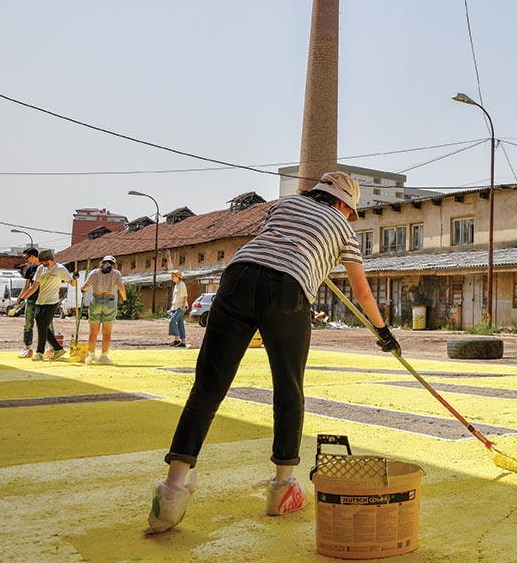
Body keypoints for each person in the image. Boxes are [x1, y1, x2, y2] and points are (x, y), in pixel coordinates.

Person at [147, 172, 401, 534]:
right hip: (287, 289)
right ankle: (283, 487)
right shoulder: (344, 229)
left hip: (236, 278)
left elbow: (275, 242)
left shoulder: (285, 204)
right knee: (288, 388)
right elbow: (362, 293)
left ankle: (172, 490)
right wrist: (383, 332)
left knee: (208, 386)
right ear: (345, 204)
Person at [81, 254, 127, 364]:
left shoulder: (94, 272)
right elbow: (121, 288)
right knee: (107, 332)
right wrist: (125, 300)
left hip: (96, 301)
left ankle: (91, 355)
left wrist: (82, 290)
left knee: (93, 332)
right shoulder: (116, 273)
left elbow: (85, 287)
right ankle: (104, 356)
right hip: (109, 302)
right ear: (114, 265)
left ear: (101, 263)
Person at [31, 250, 76, 361]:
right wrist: (22, 298)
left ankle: (39, 352)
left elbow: (72, 283)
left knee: (42, 326)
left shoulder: (60, 269)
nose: (42, 264)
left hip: (52, 302)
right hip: (40, 301)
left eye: (43, 262)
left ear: (49, 260)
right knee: (42, 326)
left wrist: (74, 278)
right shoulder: (41, 268)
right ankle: (58, 348)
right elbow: (35, 286)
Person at [15, 247, 43, 357]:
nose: (26, 260)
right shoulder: (30, 269)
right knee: (28, 324)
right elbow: (27, 286)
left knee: (46, 325)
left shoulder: (44, 267)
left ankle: (51, 348)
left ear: (32, 256)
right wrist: (19, 298)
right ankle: (27, 348)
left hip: (43, 300)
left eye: (27, 258)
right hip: (30, 300)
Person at [168, 270, 189, 347]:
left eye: (173, 276)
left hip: (181, 307)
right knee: (180, 324)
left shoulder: (182, 284)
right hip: (176, 307)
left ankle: (177, 339)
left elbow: (185, 296)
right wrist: (171, 308)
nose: (172, 278)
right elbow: (175, 298)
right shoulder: (176, 286)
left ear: (178, 277)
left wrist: (183, 306)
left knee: (172, 321)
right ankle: (183, 342)